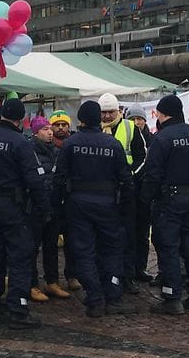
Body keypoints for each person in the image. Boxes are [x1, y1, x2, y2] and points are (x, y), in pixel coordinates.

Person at [0, 99, 50, 329]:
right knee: (20, 257)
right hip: (13, 207)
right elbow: (34, 180)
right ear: (20, 119)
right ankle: (18, 309)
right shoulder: (20, 143)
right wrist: (44, 210)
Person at [55, 101, 136, 317]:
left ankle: (94, 298)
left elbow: (59, 178)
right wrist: (126, 206)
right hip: (108, 203)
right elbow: (126, 179)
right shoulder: (112, 144)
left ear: (80, 120)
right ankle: (113, 295)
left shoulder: (71, 144)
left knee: (84, 252)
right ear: (98, 119)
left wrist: (58, 206)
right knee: (111, 250)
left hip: (78, 204)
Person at [142, 95, 189, 315]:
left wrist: (146, 199)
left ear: (163, 114)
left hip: (169, 200)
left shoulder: (162, 139)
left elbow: (153, 173)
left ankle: (172, 296)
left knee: (168, 246)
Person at [99, 93, 146, 295]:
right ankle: (107, 276)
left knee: (128, 236)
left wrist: (129, 176)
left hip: (126, 191)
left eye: (111, 112)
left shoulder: (130, 127)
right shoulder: (94, 129)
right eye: (104, 112)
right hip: (103, 192)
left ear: (119, 111)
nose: (108, 116)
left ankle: (127, 277)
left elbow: (142, 157)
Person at [28, 116, 70, 302]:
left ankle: (52, 282)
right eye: (45, 129)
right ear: (36, 132)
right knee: (32, 247)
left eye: (49, 128)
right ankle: (32, 284)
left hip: (54, 205)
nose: (50, 132)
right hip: (35, 206)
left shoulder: (56, 151)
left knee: (51, 245)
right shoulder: (30, 151)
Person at [49, 110, 81, 291]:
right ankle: (52, 279)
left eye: (64, 125)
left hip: (71, 199)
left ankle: (72, 275)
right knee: (51, 242)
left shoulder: (73, 146)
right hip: (53, 201)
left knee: (72, 241)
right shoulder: (45, 147)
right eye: (57, 125)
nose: (60, 128)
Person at [125, 104, 155, 283]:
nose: (136, 122)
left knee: (143, 234)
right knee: (129, 233)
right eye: (133, 119)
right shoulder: (127, 137)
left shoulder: (152, 140)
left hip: (145, 194)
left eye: (140, 119)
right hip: (130, 192)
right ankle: (128, 269)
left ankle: (140, 267)